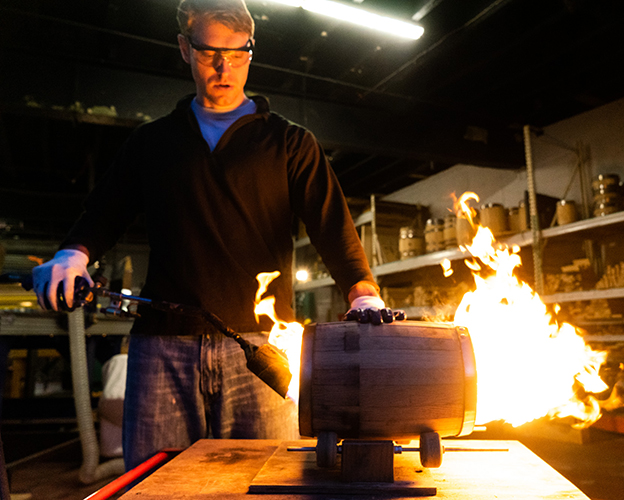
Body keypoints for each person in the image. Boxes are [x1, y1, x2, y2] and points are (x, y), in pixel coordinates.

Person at [32, 0, 391, 471]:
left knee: (268, 480)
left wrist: (363, 295)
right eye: (208, 53)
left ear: (251, 51)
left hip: (262, 349)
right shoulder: (152, 142)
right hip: (163, 348)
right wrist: (72, 254)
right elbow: (104, 213)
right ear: (184, 48)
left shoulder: (288, 142)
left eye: (237, 53)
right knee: (158, 482)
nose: (224, 67)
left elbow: (332, 227)